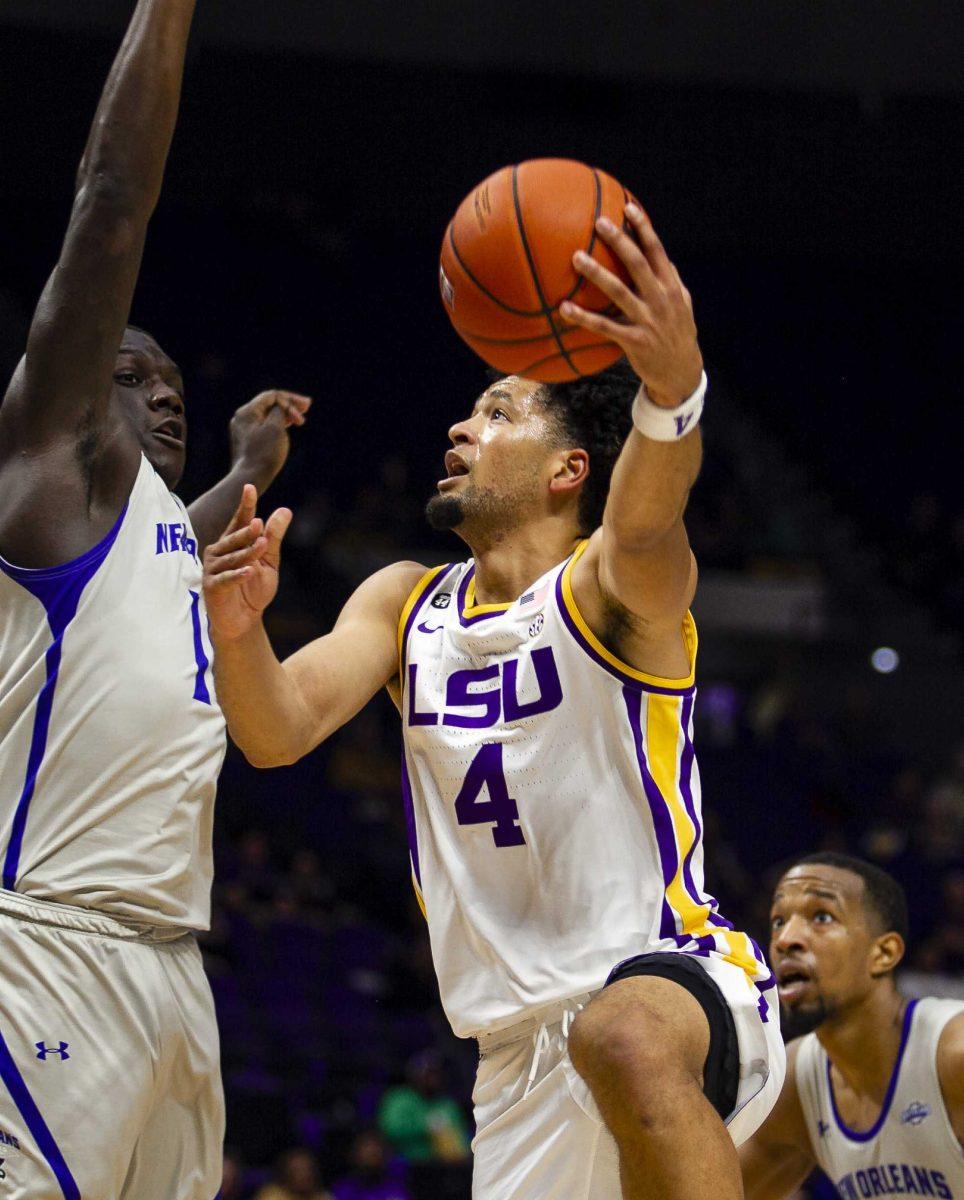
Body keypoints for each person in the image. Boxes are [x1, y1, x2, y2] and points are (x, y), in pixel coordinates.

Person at [204, 203, 784, 1199]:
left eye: (498, 413)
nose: (461, 426)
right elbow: (274, 732)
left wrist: (672, 391)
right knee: (600, 1043)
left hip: (676, 981)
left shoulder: (607, 588)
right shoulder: (403, 601)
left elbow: (647, 522)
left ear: (569, 471)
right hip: (514, 1057)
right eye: (473, 411)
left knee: (623, 1032)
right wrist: (235, 629)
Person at [0, 3, 308, 1198]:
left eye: (174, 380)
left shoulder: (169, 535)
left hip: (174, 963)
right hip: (52, 944)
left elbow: (193, 528)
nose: (160, 394)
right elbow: (110, 201)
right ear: (77, 396)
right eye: (129, 376)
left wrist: (252, 468)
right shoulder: (47, 477)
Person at [740, 853, 964, 1199]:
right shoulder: (799, 1081)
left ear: (884, 953)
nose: (786, 939)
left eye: (821, 917)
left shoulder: (953, 1053)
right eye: (778, 921)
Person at [378, 1051, 470, 1164]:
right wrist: (426, 1127)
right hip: (408, 1165)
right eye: (428, 1073)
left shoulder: (447, 1104)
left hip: (445, 1167)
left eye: (437, 1073)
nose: (433, 1078)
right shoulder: (399, 1098)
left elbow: (460, 1136)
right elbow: (390, 1130)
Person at [254, 1148, 330, 1200]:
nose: (304, 1175)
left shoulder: (322, 1197)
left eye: (308, 1169)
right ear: (285, 1173)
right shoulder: (271, 1196)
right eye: (297, 1170)